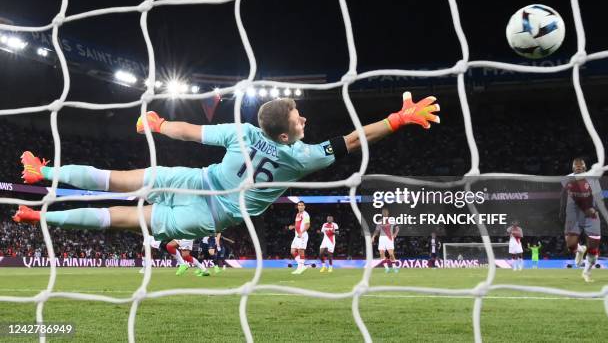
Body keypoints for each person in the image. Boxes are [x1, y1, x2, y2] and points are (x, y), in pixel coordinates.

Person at [12, 93, 440, 243]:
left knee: (123, 185)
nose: (304, 120)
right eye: (299, 119)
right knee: (127, 216)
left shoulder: (241, 132)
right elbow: (353, 139)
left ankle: (42, 180)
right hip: (209, 211)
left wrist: (159, 125)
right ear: (287, 136)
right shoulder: (304, 157)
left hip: (197, 184)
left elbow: (191, 132)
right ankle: (39, 204)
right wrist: (397, 120)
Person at [560, 158, 603, 282]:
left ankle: (587, 272)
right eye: (576, 165)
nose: (578, 167)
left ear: (585, 167)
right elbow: (564, 195)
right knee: (570, 244)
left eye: (581, 165)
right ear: (572, 167)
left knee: (593, 249)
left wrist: (594, 209)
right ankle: (580, 250)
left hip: (591, 215)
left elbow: (598, 196)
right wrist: (562, 211)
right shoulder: (566, 179)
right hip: (574, 214)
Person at [371, 208, 400, 273]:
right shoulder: (380, 221)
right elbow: (377, 230)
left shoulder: (391, 220)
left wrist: (395, 234)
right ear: (382, 213)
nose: (384, 213)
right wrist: (373, 237)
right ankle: (387, 268)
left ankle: (394, 267)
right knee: (381, 254)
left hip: (389, 238)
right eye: (383, 212)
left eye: (385, 212)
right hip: (382, 238)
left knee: (391, 254)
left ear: (388, 213)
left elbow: (397, 228)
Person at [288, 201, 310, 275]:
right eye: (299, 205)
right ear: (297, 206)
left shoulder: (305, 214)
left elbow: (307, 225)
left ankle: (300, 267)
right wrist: (293, 227)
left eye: (302, 205)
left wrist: (301, 232)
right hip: (296, 235)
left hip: (302, 235)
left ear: (304, 206)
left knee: (301, 250)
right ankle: (302, 266)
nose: (300, 206)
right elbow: (298, 225)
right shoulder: (297, 214)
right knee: (293, 251)